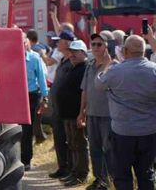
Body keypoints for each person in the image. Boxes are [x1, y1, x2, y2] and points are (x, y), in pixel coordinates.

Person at [96, 35, 156, 190]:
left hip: (123, 132)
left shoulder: (116, 70)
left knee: (122, 175)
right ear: (143, 51)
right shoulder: (154, 70)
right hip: (149, 131)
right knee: (146, 174)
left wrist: (107, 66)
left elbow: (99, 85)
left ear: (125, 51)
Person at [77, 33, 115, 190]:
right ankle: (99, 179)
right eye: (93, 44)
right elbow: (84, 91)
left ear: (106, 46)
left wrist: (107, 63)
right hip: (91, 114)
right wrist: (81, 112)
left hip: (108, 115)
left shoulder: (114, 66)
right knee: (94, 148)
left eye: (99, 44)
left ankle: (109, 181)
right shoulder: (90, 65)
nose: (95, 47)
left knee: (109, 149)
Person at [54, 39, 89, 186]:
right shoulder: (73, 67)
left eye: (76, 52)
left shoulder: (85, 68)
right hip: (67, 114)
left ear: (83, 53)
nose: (72, 54)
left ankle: (81, 174)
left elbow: (85, 93)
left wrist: (82, 113)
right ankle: (74, 172)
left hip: (76, 114)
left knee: (79, 145)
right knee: (72, 144)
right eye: (71, 52)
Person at [45, 30, 75, 179]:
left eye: (60, 41)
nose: (57, 44)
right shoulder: (63, 59)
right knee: (58, 138)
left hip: (68, 108)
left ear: (67, 43)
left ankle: (71, 169)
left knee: (70, 140)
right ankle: (62, 167)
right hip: (58, 107)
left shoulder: (73, 61)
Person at [21, 34, 48, 171]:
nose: (22, 45)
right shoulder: (11, 57)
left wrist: (45, 97)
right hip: (16, 96)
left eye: (24, 42)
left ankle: (26, 160)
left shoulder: (34, 58)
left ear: (28, 43)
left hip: (31, 95)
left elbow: (41, 78)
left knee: (27, 129)